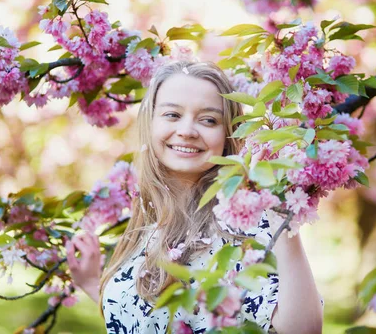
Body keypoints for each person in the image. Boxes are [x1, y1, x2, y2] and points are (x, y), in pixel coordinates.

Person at [66, 61, 323, 333]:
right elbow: (145, 317)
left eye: (209, 120)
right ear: (151, 122)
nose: (187, 131)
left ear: (227, 135)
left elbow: (303, 329)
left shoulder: (242, 224)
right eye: (172, 115)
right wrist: (96, 286)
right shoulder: (150, 219)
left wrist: (281, 218)